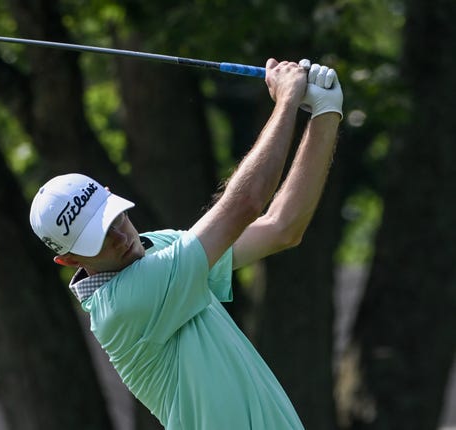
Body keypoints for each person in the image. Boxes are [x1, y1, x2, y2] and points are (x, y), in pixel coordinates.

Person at [29, 58, 342, 429]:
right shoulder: (125, 305)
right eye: (97, 240)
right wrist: (287, 101)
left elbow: (281, 227)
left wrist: (325, 112)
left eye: (114, 219)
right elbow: (245, 204)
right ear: (68, 260)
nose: (119, 238)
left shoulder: (157, 247)